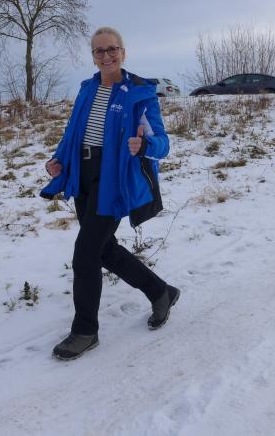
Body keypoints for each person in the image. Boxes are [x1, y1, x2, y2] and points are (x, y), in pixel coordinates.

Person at [40, 26, 180, 361]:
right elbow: (73, 132)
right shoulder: (87, 89)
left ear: (123, 52)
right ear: (93, 56)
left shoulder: (139, 94)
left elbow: (162, 143)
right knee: (104, 249)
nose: (107, 55)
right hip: (83, 174)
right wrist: (58, 160)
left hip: (113, 180)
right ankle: (160, 291)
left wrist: (143, 145)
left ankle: (85, 330)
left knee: (85, 254)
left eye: (112, 49)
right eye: (100, 51)